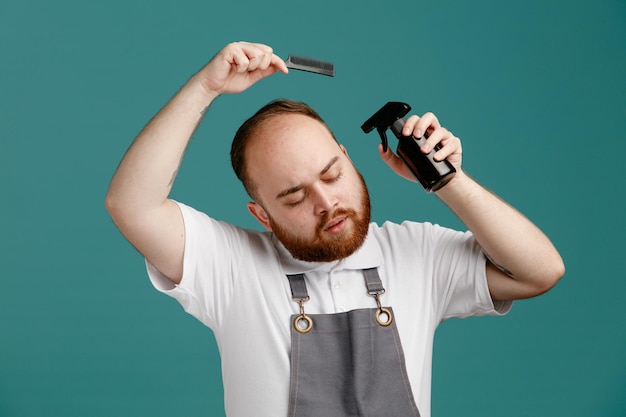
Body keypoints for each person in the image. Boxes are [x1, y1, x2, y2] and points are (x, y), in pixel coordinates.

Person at [105, 41, 564, 417]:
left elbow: (539, 272)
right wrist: (205, 87)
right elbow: (132, 204)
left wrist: (446, 180)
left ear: (348, 156)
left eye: (331, 175)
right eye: (294, 196)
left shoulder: (416, 252)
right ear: (262, 215)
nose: (327, 204)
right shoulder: (231, 268)